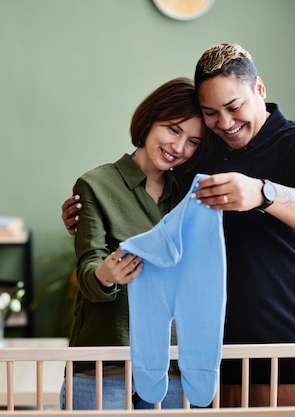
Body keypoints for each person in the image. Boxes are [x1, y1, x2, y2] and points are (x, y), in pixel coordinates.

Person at [61, 43, 295, 407]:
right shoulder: (204, 149)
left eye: (233, 107)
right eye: (211, 113)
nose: (225, 122)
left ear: (259, 89)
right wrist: (86, 215)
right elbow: (145, 195)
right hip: (210, 355)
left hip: (292, 346)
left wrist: (261, 192)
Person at [61, 77, 205, 410]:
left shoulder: (192, 195)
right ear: (150, 120)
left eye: (193, 141)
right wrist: (106, 275)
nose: (179, 147)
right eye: (173, 129)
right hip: (105, 363)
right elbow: (88, 270)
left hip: (173, 367)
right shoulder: (96, 185)